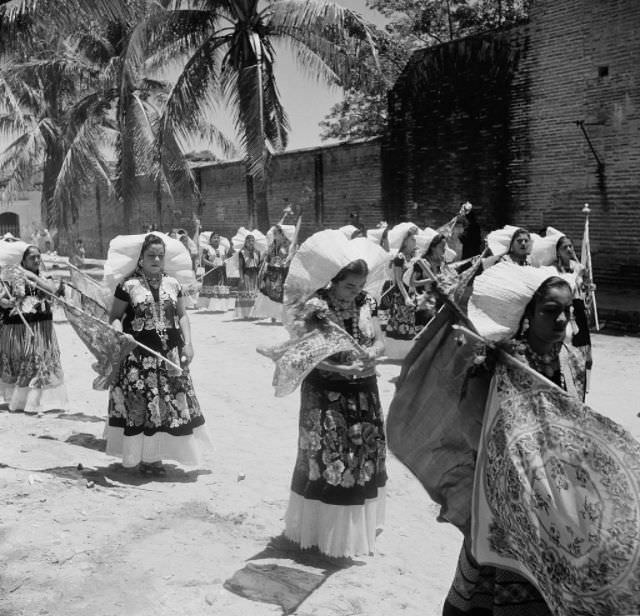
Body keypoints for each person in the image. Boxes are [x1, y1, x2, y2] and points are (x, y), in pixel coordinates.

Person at [283, 257, 388, 559]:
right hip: (326, 393)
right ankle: (324, 536)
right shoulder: (317, 307)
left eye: (359, 286)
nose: (354, 292)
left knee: (361, 454)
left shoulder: (368, 302)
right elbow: (302, 353)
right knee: (329, 455)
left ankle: (352, 533)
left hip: (364, 391)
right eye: (348, 286)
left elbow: (380, 341)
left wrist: (372, 354)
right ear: (334, 280)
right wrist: (340, 370)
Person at [105, 233, 208, 474]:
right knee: (143, 406)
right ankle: (145, 459)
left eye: (160, 255)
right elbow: (114, 318)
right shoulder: (127, 286)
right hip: (138, 358)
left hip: (170, 356)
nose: (156, 259)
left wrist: (189, 344)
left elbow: (182, 315)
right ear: (141, 258)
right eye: (151, 255)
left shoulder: (173, 284)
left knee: (169, 408)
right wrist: (121, 333)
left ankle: (157, 456)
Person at [0, 243, 68, 413]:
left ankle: (36, 402)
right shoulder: (11, 276)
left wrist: (32, 277)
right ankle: (21, 402)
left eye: (39, 256)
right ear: (23, 260)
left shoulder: (45, 276)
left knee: (41, 363)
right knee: (27, 362)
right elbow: (3, 298)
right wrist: (6, 302)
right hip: (20, 328)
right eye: (32, 257)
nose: (37, 260)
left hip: (42, 327)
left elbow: (51, 290)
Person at [383, 223, 419, 359]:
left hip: (410, 293)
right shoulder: (400, 258)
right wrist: (406, 297)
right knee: (399, 323)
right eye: (412, 239)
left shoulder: (412, 257)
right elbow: (398, 279)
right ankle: (395, 354)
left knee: (409, 324)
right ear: (405, 242)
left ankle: (405, 354)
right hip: (401, 295)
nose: (415, 242)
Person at [411, 231, 458, 328]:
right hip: (424, 303)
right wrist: (432, 280)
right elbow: (412, 282)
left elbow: (445, 277)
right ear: (433, 247)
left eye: (445, 246)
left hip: (439, 300)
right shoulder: (422, 262)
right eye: (442, 246)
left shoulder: (442, 260)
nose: (444, 249)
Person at [252, 224, 292, 321]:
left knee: (281, 293)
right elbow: (267, 258)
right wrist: (269, 258)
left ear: (282, 234)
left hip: (283, 272)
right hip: (271, 271)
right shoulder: (272, 245)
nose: (274, 235)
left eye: (276, 233)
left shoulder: (289, 245)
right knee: (270, 292)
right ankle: (273, 315)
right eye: (273, 233)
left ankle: (282, 315)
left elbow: (291, 258)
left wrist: (285, 261)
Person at [200, 232, 232, 311]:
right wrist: (212, 264)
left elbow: (225, 259)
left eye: (217, 238)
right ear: (210, 240)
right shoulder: (207, 248)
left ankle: (219, 306)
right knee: (210, 287)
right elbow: (203, 259)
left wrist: (225, 262)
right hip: (211, 271)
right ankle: (206, 306)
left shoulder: (223, 248)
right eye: (214, 238)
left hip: (220, 271)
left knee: (220, 287)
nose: (216, 239)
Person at [235, 234, 262, 319]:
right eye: (249, 241)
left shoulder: (257, 252)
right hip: (246, 273)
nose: (251, 243)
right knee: (247, 292)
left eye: (252, 241)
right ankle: (246, 314)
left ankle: (254, 314)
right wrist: (241, 278)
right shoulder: (242, 253)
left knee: (255, 293)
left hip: (255, 274)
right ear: (245, 242)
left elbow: (259, 264)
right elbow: (240, 266)